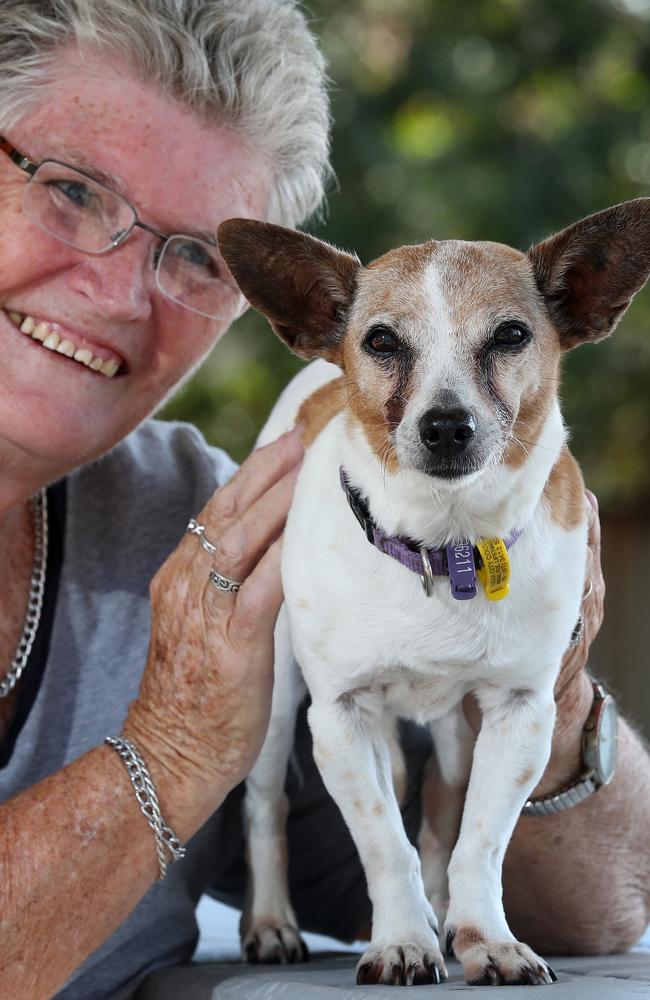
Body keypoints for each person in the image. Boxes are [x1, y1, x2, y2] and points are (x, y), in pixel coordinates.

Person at [0, 2, 647, 998]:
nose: (121, 293)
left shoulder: (217, 521)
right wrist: (171, 746)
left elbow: (596, 914)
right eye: (71, 191)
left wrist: (543, 680)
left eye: (192, 255)